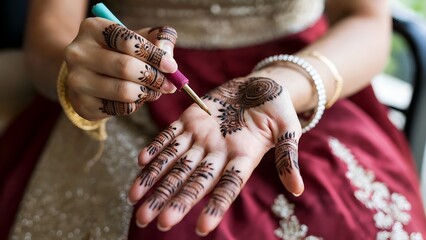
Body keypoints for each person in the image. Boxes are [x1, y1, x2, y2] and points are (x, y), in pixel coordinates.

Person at [0, 0, 425, 239]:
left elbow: (367, 20)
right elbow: (48, 37)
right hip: (133, 92)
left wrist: (280, 83)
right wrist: (81, 74)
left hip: (304, 82)